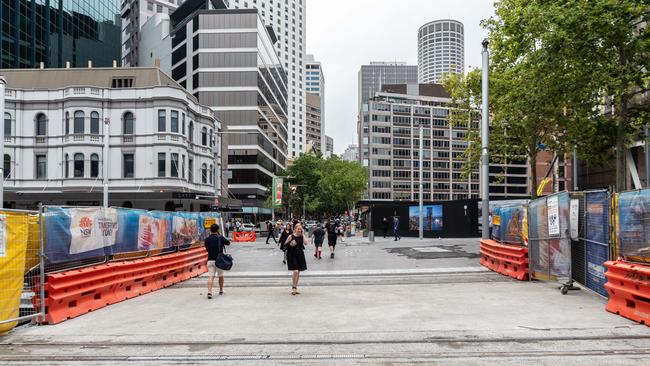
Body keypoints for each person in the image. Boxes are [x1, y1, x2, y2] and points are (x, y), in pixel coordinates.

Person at [204, 224, 230, 299]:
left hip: (210, 260)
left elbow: (207, 249)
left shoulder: (207, 239)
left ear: (210, 230)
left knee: (211, 276)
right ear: (218, 230)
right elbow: (228, 243)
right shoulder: (220, 237)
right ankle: (221, 290)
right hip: (219, 261)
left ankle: (209, 292)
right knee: (220, 276)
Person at [284, 224, 307, 295]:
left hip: (300, 254)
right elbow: (285, 245)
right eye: (298, 229)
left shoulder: (302, 236)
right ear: (295, 229)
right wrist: (290, 244)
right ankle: (293, 287)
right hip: (292, 254)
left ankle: (295, 287)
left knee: (298, 271)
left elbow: (306, 243)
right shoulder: (291, 236)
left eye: (301, 229)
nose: (300, 230)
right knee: (296, 271)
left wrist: (303, 234)